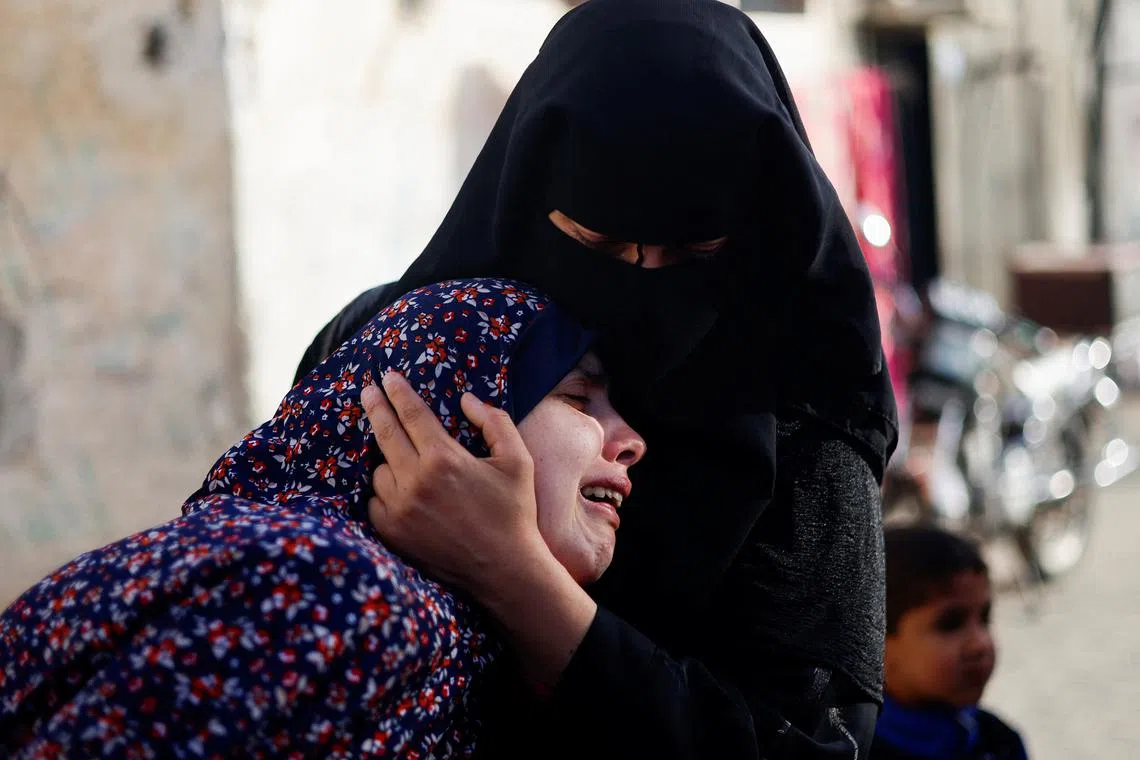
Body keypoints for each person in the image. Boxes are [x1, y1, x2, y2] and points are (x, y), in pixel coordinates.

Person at [294, 1, 897, 757]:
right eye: (599, 244)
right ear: (525, 193)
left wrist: (516, 580)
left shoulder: (808, 425)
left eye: (693, 252)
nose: (642, 293)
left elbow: (810, 745)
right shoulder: (405, 351)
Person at [0, 278, 645, 758]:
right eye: (576, 396)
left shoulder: (449, 654)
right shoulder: (321, 584)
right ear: (448, 423)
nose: (630, 439)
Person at [872, 526, 1030, 760]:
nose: (980, 644)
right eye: (950, 624)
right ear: (877, 644)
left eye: (985, 618)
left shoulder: (998, 741)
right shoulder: (852, 748)